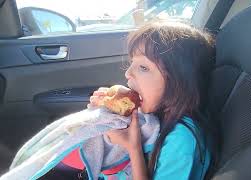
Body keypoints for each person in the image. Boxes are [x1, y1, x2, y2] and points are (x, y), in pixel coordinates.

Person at [89, 21, 215, 179]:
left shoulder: (182, 142)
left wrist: (133, 148)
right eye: (131, 63)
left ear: (178, 83)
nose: (128, 73)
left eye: (143, 67)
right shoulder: (154, 114)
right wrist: (106, 116)